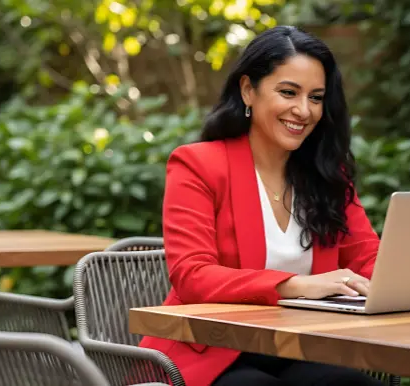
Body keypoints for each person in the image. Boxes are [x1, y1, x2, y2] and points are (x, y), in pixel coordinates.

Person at [138, 25, 384, 386]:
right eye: (288, 93)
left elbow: (367, 258)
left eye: (316, 97)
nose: (303, 110)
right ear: (248, 90)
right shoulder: (198, 164)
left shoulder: (328, 174)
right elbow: (192, 275)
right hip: (210, 354)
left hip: (302, 348)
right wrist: (297, 285)